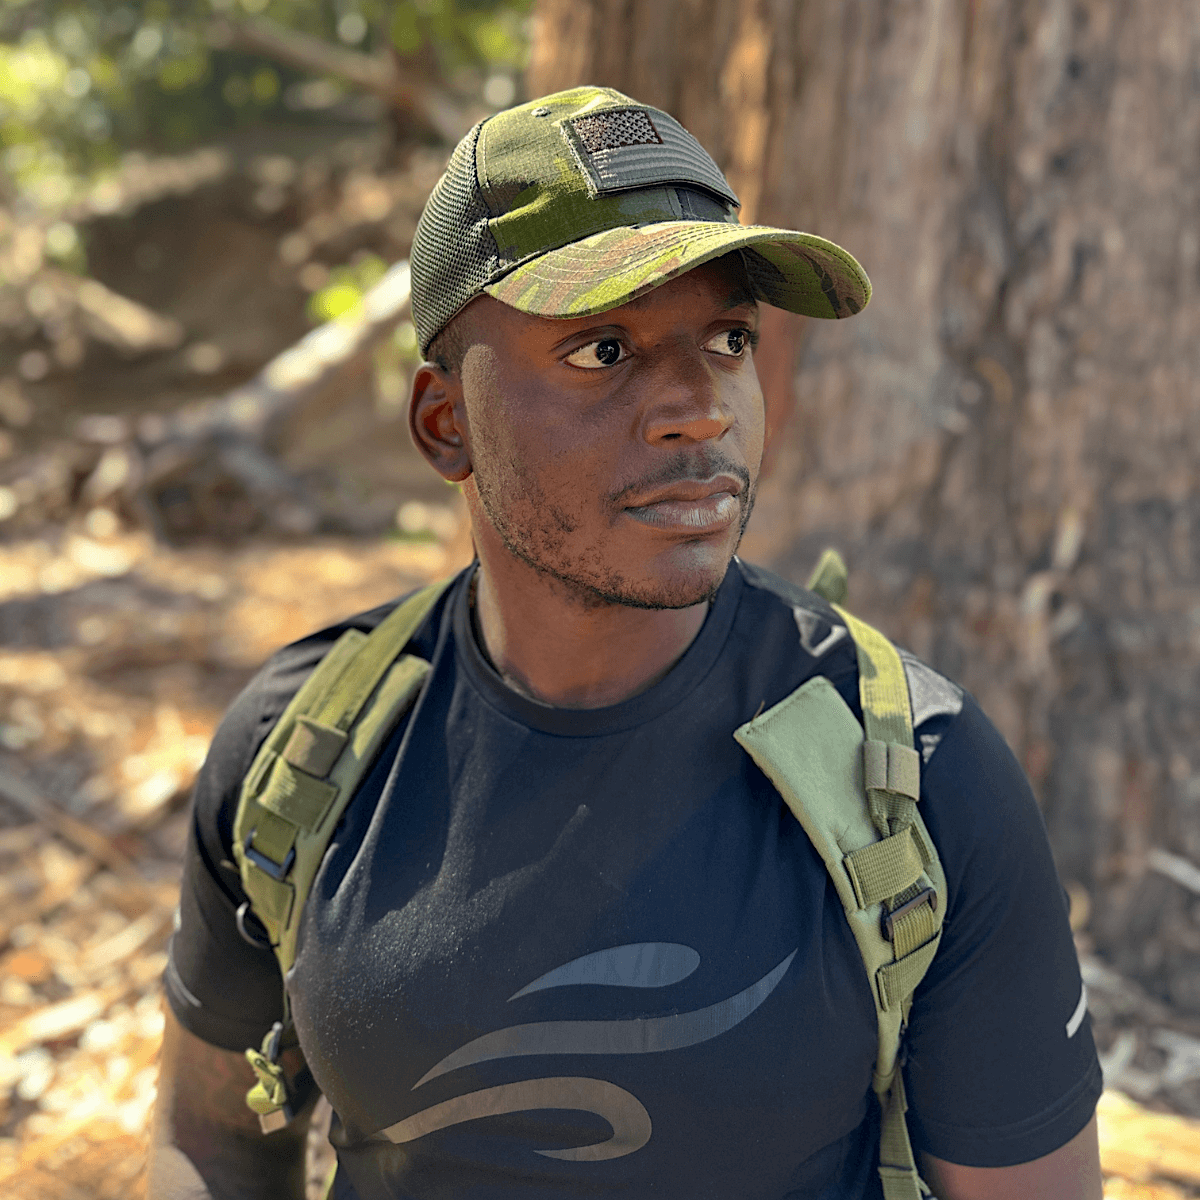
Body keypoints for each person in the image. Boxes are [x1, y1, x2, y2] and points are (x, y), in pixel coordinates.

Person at [149, 86, 1103, 1200]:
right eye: (605, 350)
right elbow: (212, 1141)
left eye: (729, 338)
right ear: (443, 422)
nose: (698, 408)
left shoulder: (913, 785)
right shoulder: (306, 754)